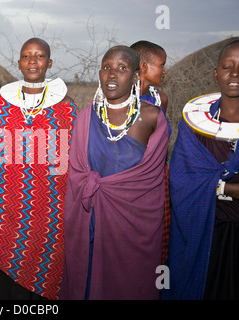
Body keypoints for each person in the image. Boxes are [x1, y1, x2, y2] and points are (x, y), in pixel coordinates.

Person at [60, 45, 168, 300]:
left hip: (134, 228)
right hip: (91, 221)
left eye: (121, 68)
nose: (111, 74)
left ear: (135, 76)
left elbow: (152, 182)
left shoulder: (152, 117)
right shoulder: (86, 117)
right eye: (106, 67)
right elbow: (76, 175)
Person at [0, 37, 77, 300]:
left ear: (50, 62)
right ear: (20, 62)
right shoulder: (0, 105)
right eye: (26, 56)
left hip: (51, 213)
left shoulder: (65, 108)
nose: (32, 61)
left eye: (39, 55)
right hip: (6, 210)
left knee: (48, 277)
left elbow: (72, 163)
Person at [163, 39, 239, 300]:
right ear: (216, 74)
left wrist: (213, 185)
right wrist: (227, 187)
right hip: (206, 232)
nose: (235, 74)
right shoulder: (194, 124)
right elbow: (181, 179)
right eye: (227, 67)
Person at [131, 40, 171, 264]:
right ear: (144, 67)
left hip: (158, 183)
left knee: (154, 252)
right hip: (129, 187)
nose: (165, 70)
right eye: (161, 65)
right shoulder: (117, 102)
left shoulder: (160, 100)